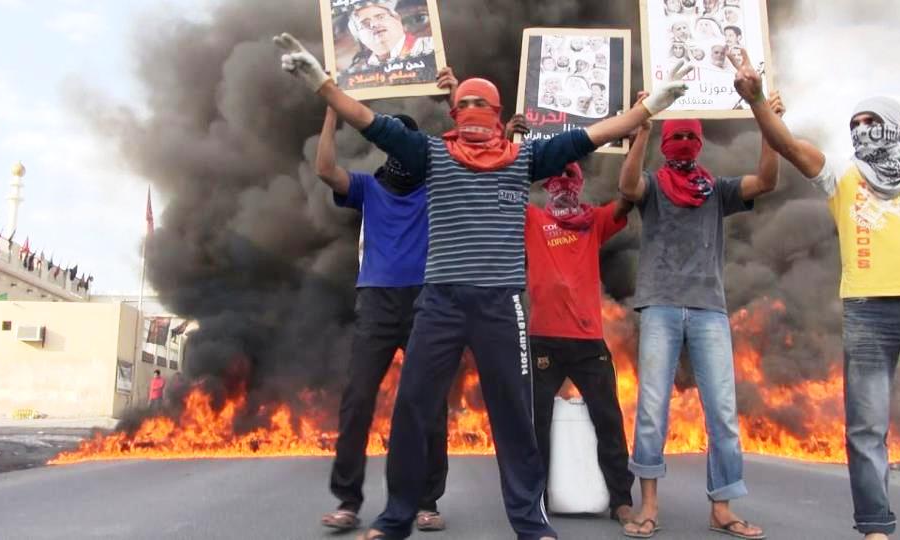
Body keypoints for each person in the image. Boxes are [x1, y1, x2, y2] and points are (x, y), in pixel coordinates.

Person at [273, 33, 693, 540]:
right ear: (453, 112)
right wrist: (322, 85)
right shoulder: (430, 153)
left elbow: (591, 135)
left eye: (482, 104)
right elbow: (369, 121)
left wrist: (648, 108)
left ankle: (530, 523)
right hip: (440, 303)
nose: (472, 111)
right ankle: (395, 517)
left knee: (514, 415)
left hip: (501, 305)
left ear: (497, 113)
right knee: (412, 409)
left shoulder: (524, 158)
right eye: (464, 104)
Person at [730, 48, 900, 540]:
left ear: (896, 127)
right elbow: (787, 145)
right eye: (855, 124)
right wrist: (758, 101)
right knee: (866, 429)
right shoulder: (840, 175)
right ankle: (875, 528)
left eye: (872, 121)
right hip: (870, 314)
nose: (862, 130)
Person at [617, 88, 784, 539]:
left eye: (692, 136)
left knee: (723, 413)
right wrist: (642, 132)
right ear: (666, 143)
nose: (685, 143)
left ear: (701, 143)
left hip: (709, 309)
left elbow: (766, 182)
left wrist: (769, 129)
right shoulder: (653, 185)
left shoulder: (717, 191)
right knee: (652, 410)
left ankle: (722, 508)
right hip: (660, 306)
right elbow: (627, 187)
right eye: (678, 137)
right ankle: (648, 506)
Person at [314, 77, 458, 530]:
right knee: (357, 399)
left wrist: (453, 98)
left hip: (425, 302)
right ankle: (348, 501)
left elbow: (468, 157)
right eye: (391, 143)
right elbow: (325, 169)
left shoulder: (435, 188)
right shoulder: (368, 188)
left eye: (406, 143)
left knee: (430, 403)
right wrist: (332, 107)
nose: (399, 153)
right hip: (376, 302)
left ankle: (427, 502)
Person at [523, 154, 636, 529]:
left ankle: (621, 500)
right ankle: (534, 499)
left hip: (588, 342)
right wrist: (512, 143)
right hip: (543, 341)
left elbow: (628, 197)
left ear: (580, 183)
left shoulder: (594, 222)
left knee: (608, 420)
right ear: (545, 185)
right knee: (535, 425)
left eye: (570, 176)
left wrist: (638, 136)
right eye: (555, 178)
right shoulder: (533, 219)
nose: (563, 184)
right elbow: (502, 190)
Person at [345, 0, 433, 72]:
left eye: (380, 17)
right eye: (365, 23)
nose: (374, 24)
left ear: (397, 19)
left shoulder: (431, 46)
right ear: (358, 37)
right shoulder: (360, 70)